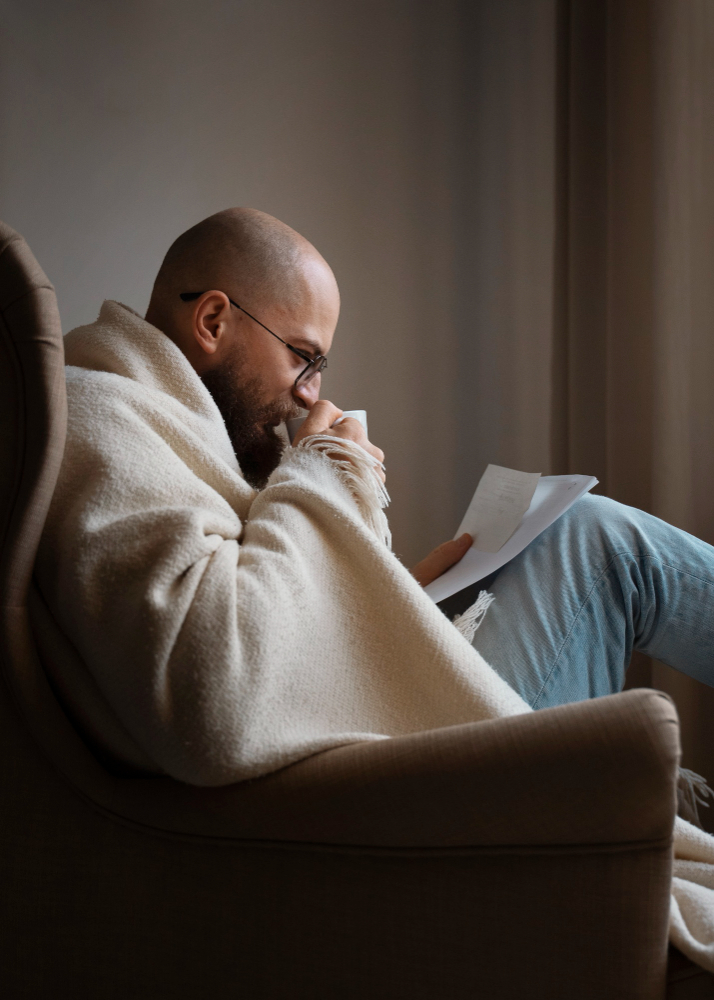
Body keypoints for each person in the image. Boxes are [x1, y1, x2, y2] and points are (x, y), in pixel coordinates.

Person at [35, 206, 714, 787]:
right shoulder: (102, 417)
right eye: (304, 355)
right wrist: (323, 470)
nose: (309, 393)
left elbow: (249, 626)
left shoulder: (157, 428)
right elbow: (214, 699)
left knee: (575, 532)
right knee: (596, 547)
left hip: (350, 751)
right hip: (366, 796)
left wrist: (392, 606)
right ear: (213, 320)